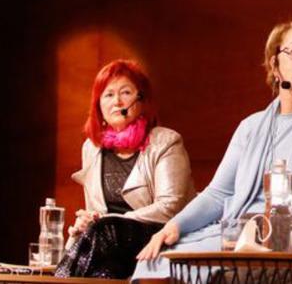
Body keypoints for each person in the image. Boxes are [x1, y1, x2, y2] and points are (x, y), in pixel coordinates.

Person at [134, 17, 292, 276]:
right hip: (236, 231)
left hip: (284, 238)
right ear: (275, 63)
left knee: (192, 267)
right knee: (152, 262)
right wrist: (175, 225)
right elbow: (217, 194)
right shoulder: (251, 126)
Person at [56, 60, 195, 279]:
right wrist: (88, 221)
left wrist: (109, 221)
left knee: (106, 230)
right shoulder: (91, 149)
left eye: (126, 92)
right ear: (98, 104)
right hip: (109, 245)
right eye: (108, 95)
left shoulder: (165, 141)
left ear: (141, 100)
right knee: (104, 273)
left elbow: (171, 207)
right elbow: (96, 211)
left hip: (157, 237)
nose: (116, 101)